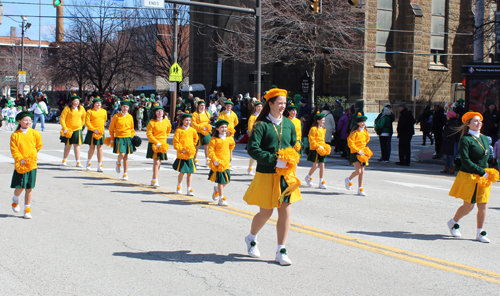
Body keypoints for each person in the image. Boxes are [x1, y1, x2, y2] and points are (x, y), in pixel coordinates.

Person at [243, 88, 301, 266]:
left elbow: (295, 143)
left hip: (287, 176)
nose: (283, 106)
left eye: (285, 103)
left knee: (285, 211)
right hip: (267, 173)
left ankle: (281, 250)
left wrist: (295, 150)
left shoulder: (289, 124)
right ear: (271, 104)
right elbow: (252, 149)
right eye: (280, 103)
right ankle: (251, 238)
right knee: (266, 212)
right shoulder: (261, 125)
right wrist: (273, 160)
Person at [447, 111, 498, 243]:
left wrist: (491, 170)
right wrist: (482, 172)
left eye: (480, 121)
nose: (478, 123)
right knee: (468, 206)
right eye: (475, 121)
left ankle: (480, 232)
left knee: (483, 205)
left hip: (483, 176)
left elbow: (487, 157)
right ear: (468, 123)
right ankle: (453, 222)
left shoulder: (485, 138)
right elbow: (466, 161)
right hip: (470, 176)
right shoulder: (465, 140)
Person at [10, 111, 43, 219]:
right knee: (20, 186)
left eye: (29, 120)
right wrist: (21, 159)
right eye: (25, 120)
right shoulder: (15, 135)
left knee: (29, 187)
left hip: (32, 164)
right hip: (20, 164)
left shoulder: (35, 133)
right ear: (19, 121)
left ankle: (27, 210)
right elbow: (14, 150)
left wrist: (31, 157)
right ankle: (15, 198)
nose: (28, 122)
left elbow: (38, 146)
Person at [208, 119, 235, 206]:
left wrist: (230, 157)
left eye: (225, 127)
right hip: (219, 163)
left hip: (226, 163)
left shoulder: (229, 139)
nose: (224, 129)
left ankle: (216, 189)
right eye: (222, 127)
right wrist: (215, 160)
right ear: (217, 129)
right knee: (221, 181)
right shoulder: (214, 139)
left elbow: (231, 146)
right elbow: (211, 151)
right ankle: (221, 199)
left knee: (226, 181)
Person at [108, 100, 136, 181]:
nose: (125, 108)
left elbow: (132, 128)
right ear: (121, 107)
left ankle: (125, 173)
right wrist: (112, 138)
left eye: (126, 107)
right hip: (119, 137)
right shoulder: (116, 116)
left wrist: (133, 136)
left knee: (126, 156)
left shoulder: (130, 117)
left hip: (128, 137)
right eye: (123, 107)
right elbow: (111, 128)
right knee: (122, 154)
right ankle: (118, 162)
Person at [173, 111, 199, 196]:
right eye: (186, 120)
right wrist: (182, 149)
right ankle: (179, 185)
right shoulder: (179, 130)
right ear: (182, 121)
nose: (188, 122)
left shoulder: (193, 130)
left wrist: (192, 147)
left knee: (190, 172)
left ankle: (189, 188)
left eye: (189, 120)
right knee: (182, 172)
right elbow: (176, 142)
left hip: (190, 154)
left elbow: (196, 139)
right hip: (182, 154)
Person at [345, 113, 371, 196]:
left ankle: (360, 188)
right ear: (358, 123)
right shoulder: (354, 132)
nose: (363, 123)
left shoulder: (366, 132)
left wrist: (363, 150)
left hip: (363, 153)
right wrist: (358, 150)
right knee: (358, 171)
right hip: (355, 153)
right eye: (362, 122)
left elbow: (367, 140)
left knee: (362, 171)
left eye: (364, 122)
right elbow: (350, 143)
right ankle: (349, 179)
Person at [146, 106, 171, 187]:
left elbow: (168, 131)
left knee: (159, 161)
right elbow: (149, 134)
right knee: (156, 161)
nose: (160, 113)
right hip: (154, 144)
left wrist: (163, 140)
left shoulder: (166, 121)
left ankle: (154, 178)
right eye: (158, 111)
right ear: (155, 113)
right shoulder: (152, 122)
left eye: (161, 111)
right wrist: (156, 142)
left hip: (163, 144)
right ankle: (155, 179)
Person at [305, 112, 330, 189]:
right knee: (315, 166)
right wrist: (318, 146)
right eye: (322, 120)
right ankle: (308, 176)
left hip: (322, 148)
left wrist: (324, 146)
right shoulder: (313, 129)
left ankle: (321, 181)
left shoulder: (323, 129)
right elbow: (312, 140)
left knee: (322, 164)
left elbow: (323, 139)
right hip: (315, 149)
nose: (323, 122)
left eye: (324, 120)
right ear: (318, 121)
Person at [60, 94, 86, 167]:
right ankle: (64, 159)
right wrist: (65, 128)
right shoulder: (67, 108)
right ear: (72, 102)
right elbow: (62, 118)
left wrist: (81, 125)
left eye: (78, 101)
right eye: (75, 101)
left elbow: (84, 117)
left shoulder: (81, 108)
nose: (77, 102)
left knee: (77, 145)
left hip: (77, 129)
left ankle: (78, 161)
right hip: (69, 130)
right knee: (68, 145)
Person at [84, 98, 107, 172]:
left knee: (100, 148)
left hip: (100, 132)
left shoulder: (104, 111)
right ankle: (89, 162)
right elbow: (87, 122)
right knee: (92, 148)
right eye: (97, 103)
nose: (98, 105)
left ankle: (100, 164)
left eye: (99, 103)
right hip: (92, 131)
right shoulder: (90, 111)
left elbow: (104, 120)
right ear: (93, 104)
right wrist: (94, 129)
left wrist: (100, 129)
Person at [217, 98, 239, 169]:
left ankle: (229, 162)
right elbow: (219, 121)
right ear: (225, 106)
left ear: (231, 107)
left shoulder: (233, 114)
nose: (228, 107)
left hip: (230, 133)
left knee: (230, 148)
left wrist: (231, 128)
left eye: (230, 106)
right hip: (223, 132)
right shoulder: (222, 114)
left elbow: (236, 122)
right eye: (227, 106)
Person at [191, 101, 212, 166]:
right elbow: (193, 124)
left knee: (207, 145)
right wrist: (201, 127)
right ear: (198, 106)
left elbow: (209, 122)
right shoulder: (195, 114)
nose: (202, 107)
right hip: (198, 131)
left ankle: (207, 159)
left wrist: (208, 128)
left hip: (206, 132)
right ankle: (195, 159)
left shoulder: (207, 113)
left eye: (203, 106)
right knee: (196, 146)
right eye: (201, 106)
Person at [247, 101, 263, 175]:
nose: (259, 108)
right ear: (255, 108)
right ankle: (250, 167)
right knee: (254, 154)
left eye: (261, 107)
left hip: (263, 136)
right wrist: (254, 134)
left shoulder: (264, 116)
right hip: (256, 136)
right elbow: (250, 127)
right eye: (258, 107)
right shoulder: (253, 117)